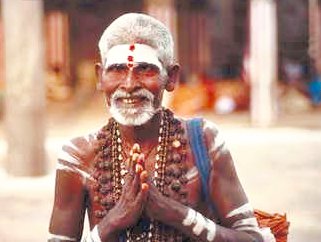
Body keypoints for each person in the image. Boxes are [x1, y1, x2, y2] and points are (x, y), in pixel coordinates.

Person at [48, 13, 272, 242]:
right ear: (100, 77)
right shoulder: (77, 157)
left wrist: (175, 213)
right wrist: (113, 221)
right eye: (117, 69)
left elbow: (251, 239)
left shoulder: (204, 142)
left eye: (145, 69)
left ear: (171, 77)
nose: (129, 85)